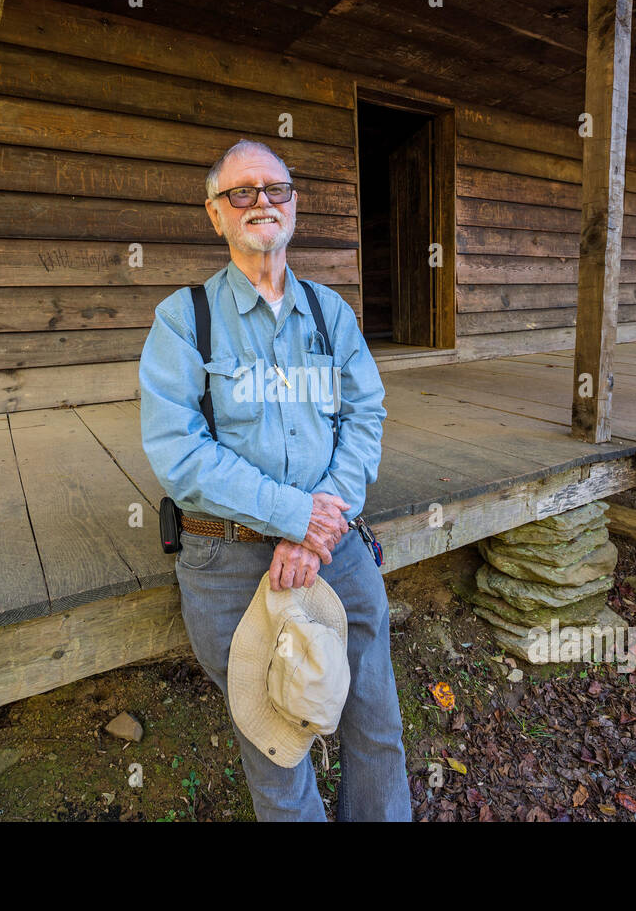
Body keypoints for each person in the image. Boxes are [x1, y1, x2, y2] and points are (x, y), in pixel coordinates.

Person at [138, 139, 412, 821]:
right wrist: (294, 515)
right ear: (215, 214)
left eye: (276, 189)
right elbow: (180, 452)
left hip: (337, 550)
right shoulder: (183, 320)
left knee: (376, 727)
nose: (263, 201)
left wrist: (318, 530)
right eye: (242, 191)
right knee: (278, 756)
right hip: (230, 562)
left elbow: (365, 413)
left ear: (293, 204)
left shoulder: (331, 313)